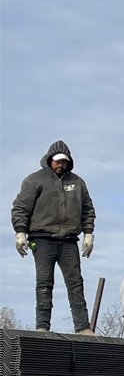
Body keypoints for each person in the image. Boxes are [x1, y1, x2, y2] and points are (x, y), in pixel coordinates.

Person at [11, 141, 95, 334]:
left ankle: (83, 328)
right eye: (57, 161)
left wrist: (88, 233)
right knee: (44, 283)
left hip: (69, 240)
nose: (60, 165)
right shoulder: (34, 181)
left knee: (75, 283)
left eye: (64, 162)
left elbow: (88, 209)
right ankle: (42, 327)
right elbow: (20, 208)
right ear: (50, 160)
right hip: (41, 239)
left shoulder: (77, 183)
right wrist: (20, 232)